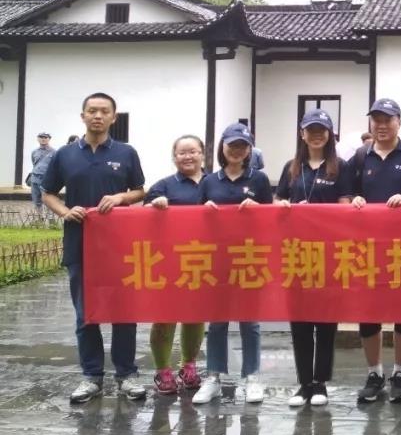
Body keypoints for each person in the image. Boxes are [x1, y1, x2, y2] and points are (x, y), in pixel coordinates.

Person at [41, 92, 147, 403]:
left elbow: (140, 190)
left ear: (113, 117)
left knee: (124, 312)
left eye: (103, 111)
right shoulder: (65, 154)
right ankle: (91, 376)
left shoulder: (126, 153)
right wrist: (65, 211)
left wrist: (120, 198)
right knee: (85, 313)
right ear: (83, 116)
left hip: (120, 246)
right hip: (79, 243)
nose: (97, 116)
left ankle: (126, 374)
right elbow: (48, 193)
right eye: (91, 111)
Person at [275, 109, 355, 408]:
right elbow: (278, 200)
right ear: (302, 134)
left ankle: (321, 382)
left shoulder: (341, 167)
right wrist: (284, 206)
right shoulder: (291, 167)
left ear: (330, 134)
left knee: (325, 320)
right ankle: (303, 383)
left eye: (322, 130)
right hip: (296, 253)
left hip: (329, 254)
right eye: (311, 130)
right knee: (299, 320)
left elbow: (345, 206)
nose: (317, 135)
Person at [194, 123, 273, 405]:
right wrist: (204, 210)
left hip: (249, 257)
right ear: (222, 148)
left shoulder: (259, 180)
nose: (237, 151)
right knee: (217, 321)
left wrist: (258, 210)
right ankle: (214, 377)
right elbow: (194, 220)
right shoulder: (209, 181)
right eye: (232, 145)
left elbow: (271, 219)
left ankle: (252, 376)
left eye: (243, 146)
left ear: (249, 150)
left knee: (249, 321)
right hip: (216, 258)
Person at [351, 98, 401, 405]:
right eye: (376, 119)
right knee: (369, 312)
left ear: (399, 123)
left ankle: (400, 373)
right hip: (367, 247)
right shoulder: (360, 156)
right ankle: (374, 373)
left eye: (387, 119)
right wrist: (354, 201)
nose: (381, 125)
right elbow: (347, 195)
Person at [145, 135, 209, 395]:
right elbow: (140, 219)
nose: (188, 156)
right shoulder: (163, 186)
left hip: (203, 259)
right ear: (174, 157)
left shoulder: (214, 183)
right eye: (182, 152)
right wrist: (154, 206)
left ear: (203, 154)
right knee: (165, 315)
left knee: (195, 315)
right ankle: (163, 370)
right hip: (168, 260)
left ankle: (188, 366)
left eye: (193, 151)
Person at [28, 131, 55, 215]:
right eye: (41, 137)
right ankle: (39, 218)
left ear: (49, 139)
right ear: (38, 139)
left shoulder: (54, 152)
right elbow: (34, 164)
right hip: (35, 178)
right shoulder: (34, 152)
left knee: (48, 199)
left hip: (46, 179)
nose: (43, 139)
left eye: (45, 137)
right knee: (36, 199)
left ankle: (50, 218)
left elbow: (55, 166)